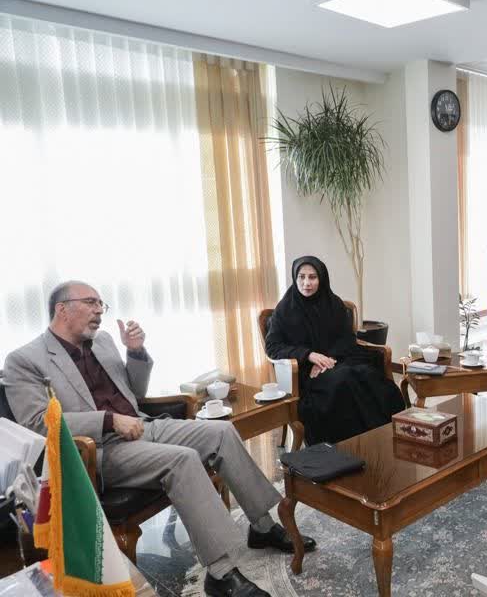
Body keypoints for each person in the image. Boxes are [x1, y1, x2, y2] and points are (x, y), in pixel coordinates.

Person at [3, 281, 311, 597]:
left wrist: (136, 352)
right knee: (182, 460)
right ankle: (221, 573)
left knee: (221, 432)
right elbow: (38, 425)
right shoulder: (25, 360)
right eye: (91, 302)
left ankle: (262, 527)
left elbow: (135, 393)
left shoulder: (103, 341)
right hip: (98, 451)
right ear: (62, 309)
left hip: (142, 425)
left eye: (101, 304)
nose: (99, 311)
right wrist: (108, 420)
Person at [264, 255, 405, 445]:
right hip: (306, 372)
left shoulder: (333, 303)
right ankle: (351, 444)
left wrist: (327, 359)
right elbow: (273, 347)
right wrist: (309, 356)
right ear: (295, 278)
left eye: (312, 277)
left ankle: (382, 436)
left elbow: (347, 338)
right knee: (343, 381)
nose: (306, 283)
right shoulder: (284, 310)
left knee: (368, 375)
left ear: (321, 278)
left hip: (338, 360)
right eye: (301, 277)